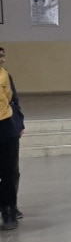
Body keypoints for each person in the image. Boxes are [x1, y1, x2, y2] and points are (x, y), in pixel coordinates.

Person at [1, 47, 24, 221]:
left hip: (6, 125)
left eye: (2, 56)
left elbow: (13, 100)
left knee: (10, 171)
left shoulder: (5, 76)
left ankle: (9, 209)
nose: (1, 59)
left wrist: (19, 123)